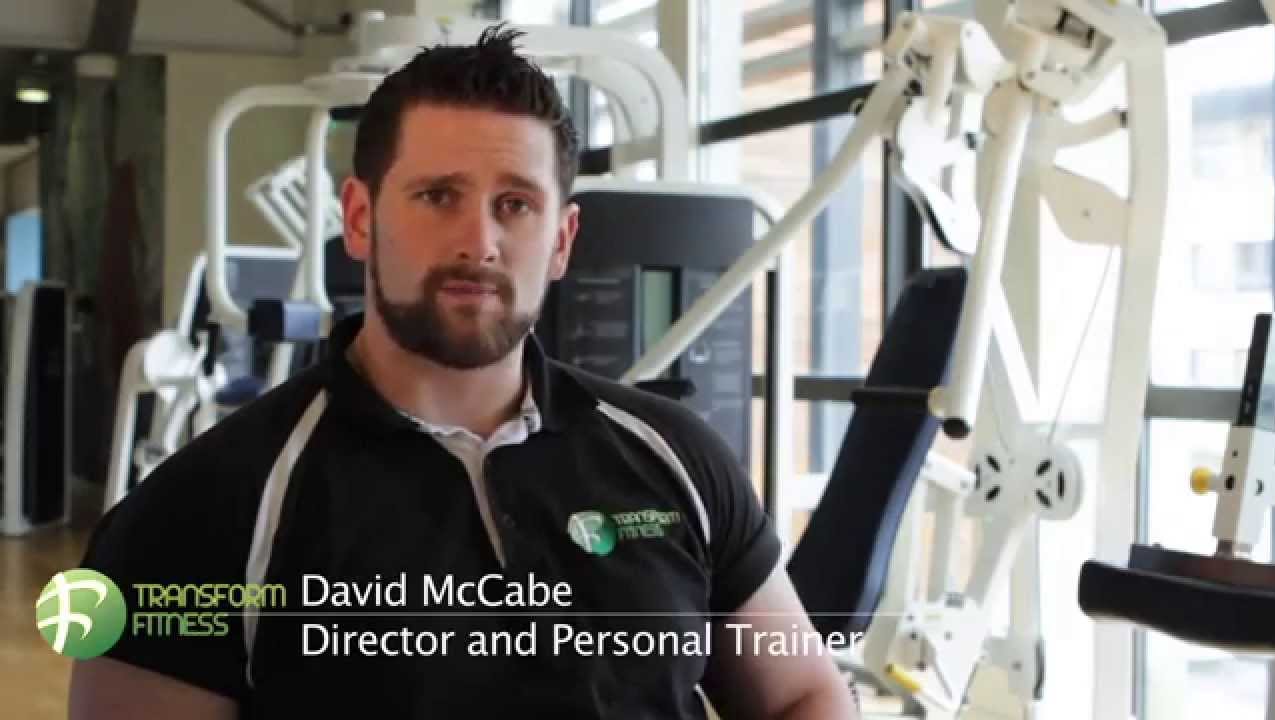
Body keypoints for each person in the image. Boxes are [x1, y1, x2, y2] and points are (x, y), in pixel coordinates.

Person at [69, 25, 860, 719]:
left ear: (561, 240)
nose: (479, 242)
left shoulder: (676, 459)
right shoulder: (198, 516)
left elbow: (801, 693)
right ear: (359, 218)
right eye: (439, 195)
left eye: (515, 204)